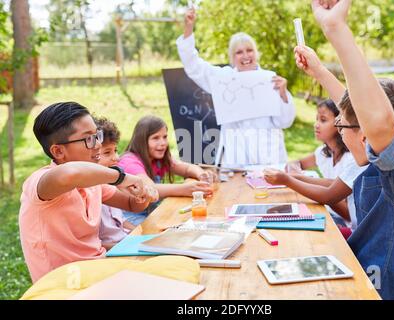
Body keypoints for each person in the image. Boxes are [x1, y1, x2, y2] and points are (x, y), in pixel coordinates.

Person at [308, 0, 394, 299]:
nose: (339, 132)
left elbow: (376, 123)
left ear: (366, 137)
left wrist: (335, 29)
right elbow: (359, 115)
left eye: (341, 127)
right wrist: (321, 72)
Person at [19, 102, 159, 282]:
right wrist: (120, 177)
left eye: (97, 135)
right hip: (64, 285)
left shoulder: (92, 182)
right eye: (88, 139)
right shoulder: (40, 182)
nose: (98, 145)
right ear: (58, 151)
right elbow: (70, 174)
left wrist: (142, 194)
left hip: (98, 270)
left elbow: (131, 204)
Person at [176, 7, 296, 167]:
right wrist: (189, 29)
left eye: (249, 50)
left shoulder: (270, 80)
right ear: (232, 57)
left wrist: (283, 94)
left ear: (256, 53)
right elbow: (193, 66)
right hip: (236, 159)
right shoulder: (223, 79)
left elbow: (285, 122)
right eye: (239, 52)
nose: (246, 56)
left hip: (269, 158)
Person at [264, 48, 368, 232]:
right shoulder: (328, 153)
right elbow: (330, 185)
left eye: (339, 123)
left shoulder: (359, 161)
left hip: (350, 231)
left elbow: (330, 195)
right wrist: (294, 177)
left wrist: (288, 180)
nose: (316, 125)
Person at [118, 115, 213, 226]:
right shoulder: (130, 162)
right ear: (142, 140)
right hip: (131, 218)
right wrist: (185, 189)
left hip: (151, 212)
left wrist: (201, 174)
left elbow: (187, 168)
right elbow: (149, 188)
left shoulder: (158, 159)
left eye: (165, 137)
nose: (162, 142)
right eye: (156, 138)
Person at [94, 116, 136, 250]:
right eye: (107, 152)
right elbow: (93, 246)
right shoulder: (89, 193)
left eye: (115, 150)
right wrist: (128, 246)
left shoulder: (109, 184)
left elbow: (120, 222)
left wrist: (141, 235)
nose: (116, 158)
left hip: (125, 243)